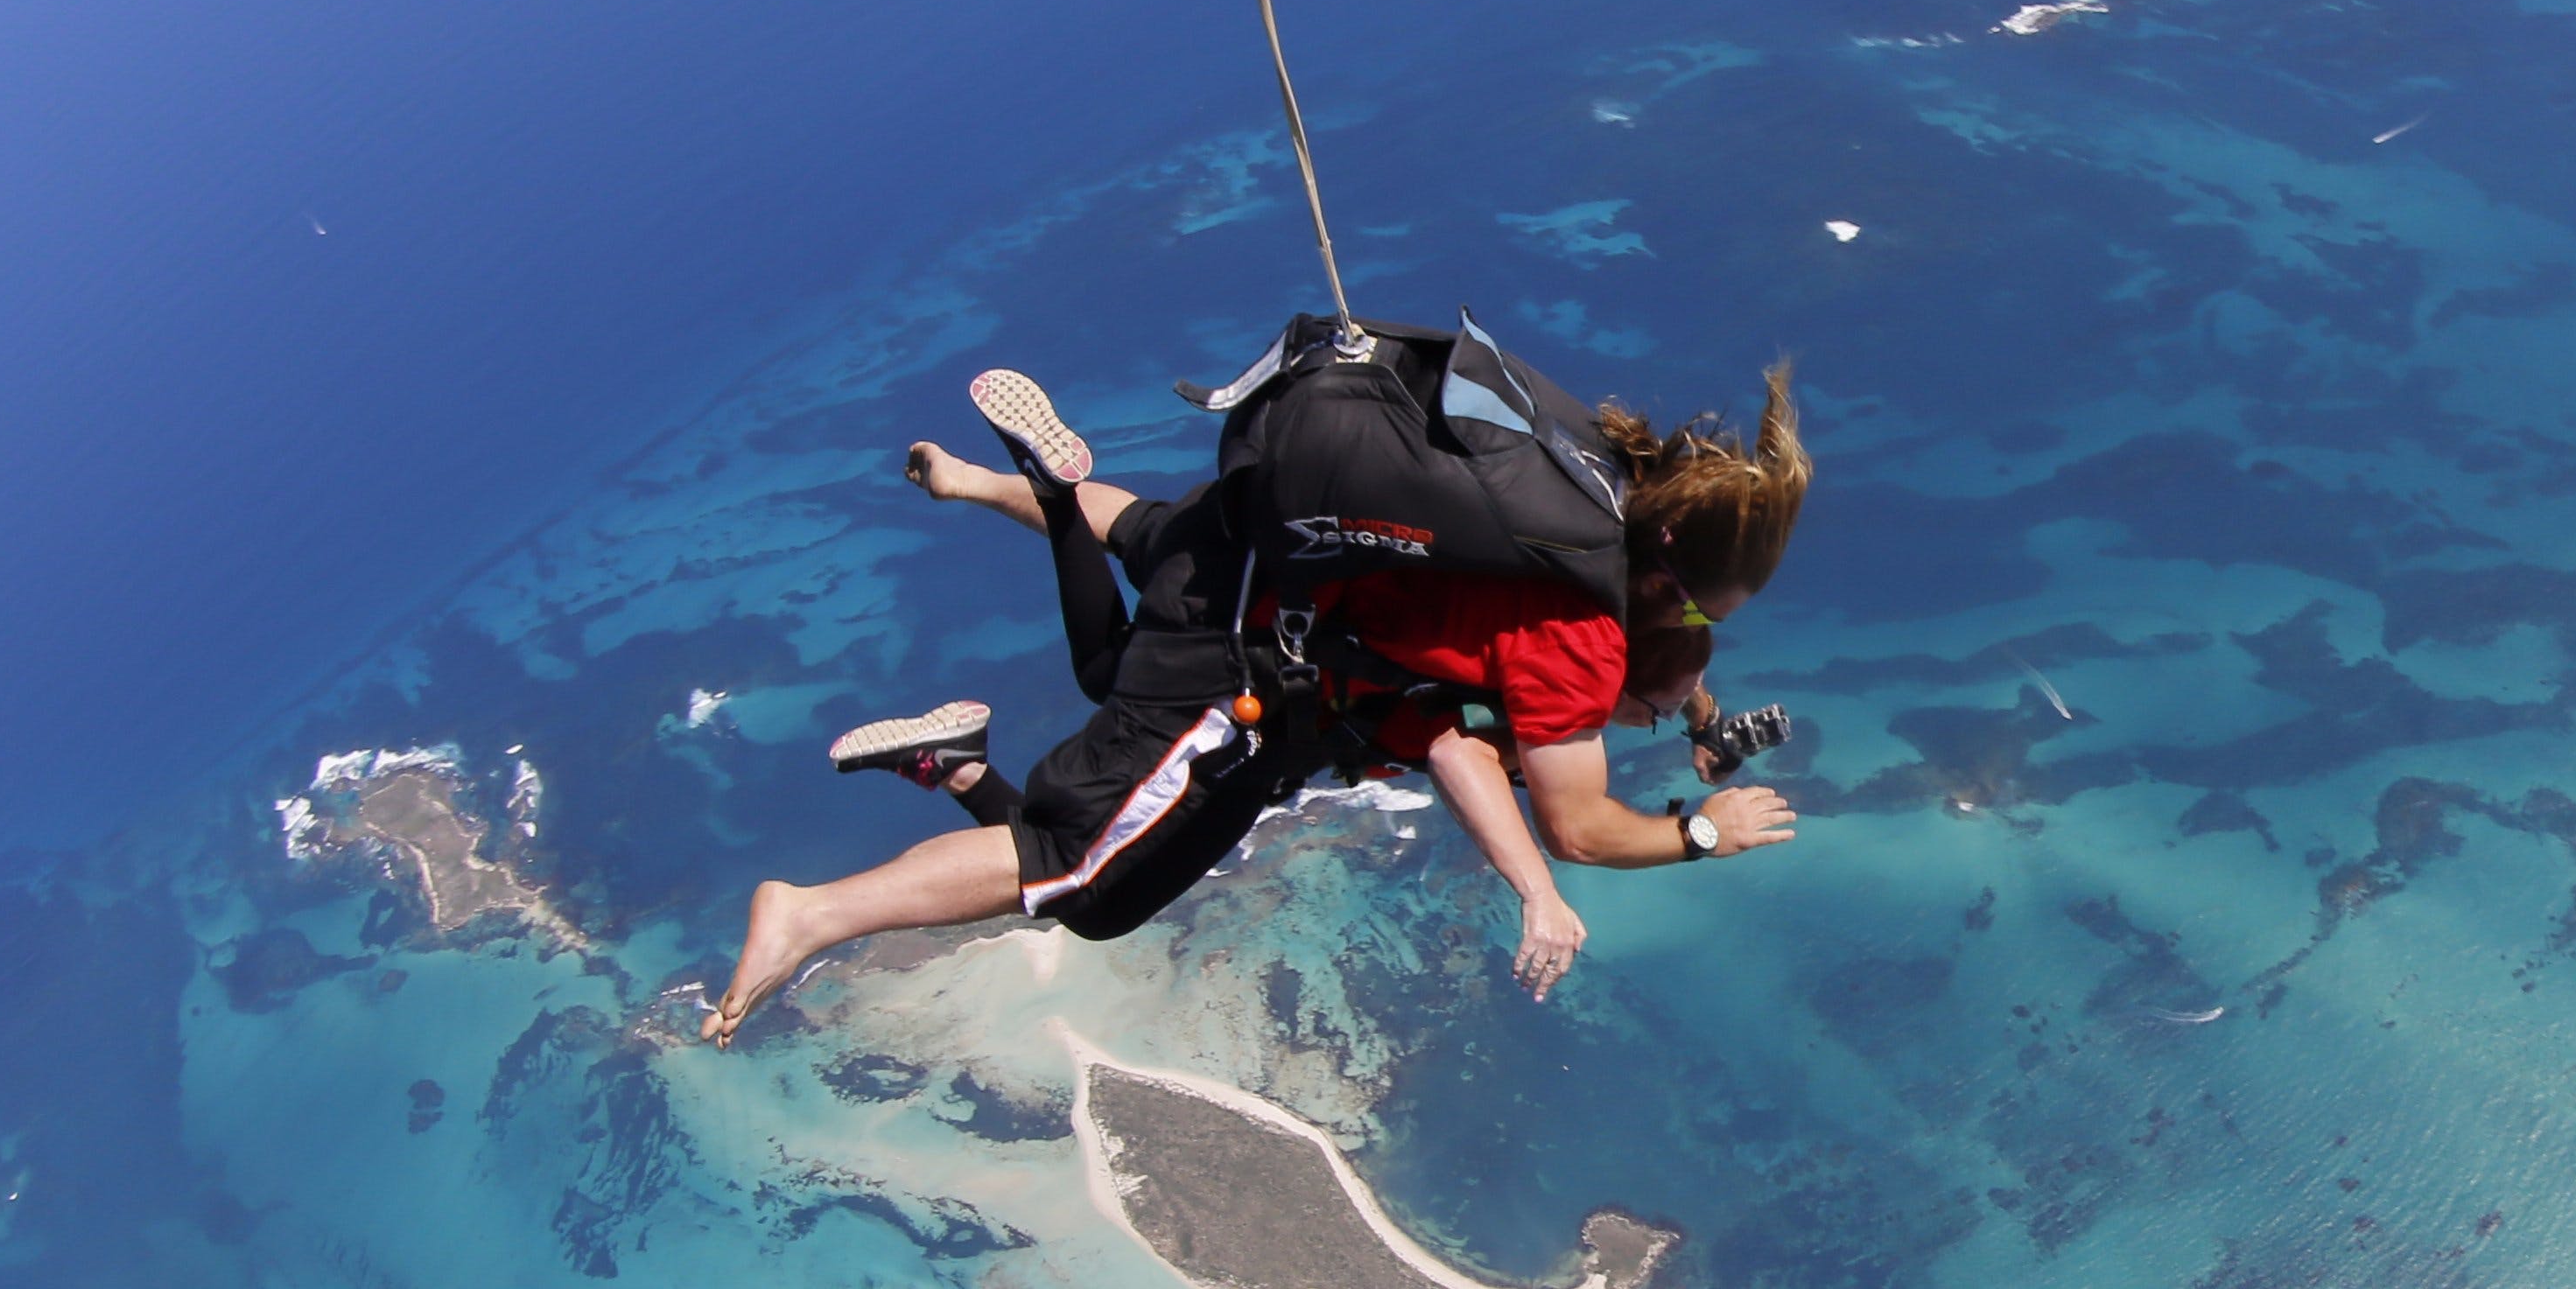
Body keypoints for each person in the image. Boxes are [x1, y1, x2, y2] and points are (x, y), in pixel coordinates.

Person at [702, 352, 1809, 1045]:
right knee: (1079, 876)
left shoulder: (1596, 502)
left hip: (1232, 545)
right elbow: (1559, 815)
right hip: (1249, 663)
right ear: (1665, 590)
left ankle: (966, 687)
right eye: (1655, 707)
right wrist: (1694, 834)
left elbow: (1679, 656)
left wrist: (1707, 729)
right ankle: (811, 910)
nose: (1657, 711)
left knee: (1124, 590)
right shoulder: (1561, 652)